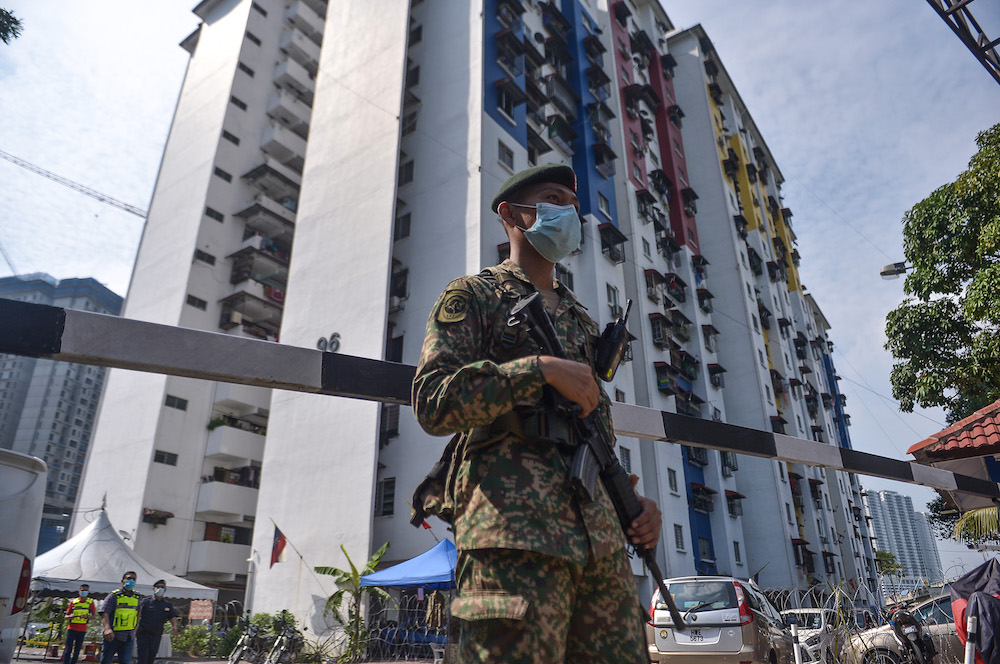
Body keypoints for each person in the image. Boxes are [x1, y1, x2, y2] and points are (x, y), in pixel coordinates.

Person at [412, 163, 662, 664]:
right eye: (552, 198)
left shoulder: (581, 320)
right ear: (512, 214)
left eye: (572, 202)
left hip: (601, 549)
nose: (568, 210)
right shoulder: (474, 296)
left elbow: (595, 432)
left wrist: (632, 507)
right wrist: (537, 370)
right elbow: (433, 400)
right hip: (513, 536)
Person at [100, 571, 139, 664]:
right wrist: (107, 629)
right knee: (106, 661)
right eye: (129, 578)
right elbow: (104, 613)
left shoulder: (137, 597)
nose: (131, 581)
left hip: (129, 637)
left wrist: (136, 626)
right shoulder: (114, 596)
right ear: (123, 581)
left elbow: (138, 611)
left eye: (134, 579)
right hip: (113, 636)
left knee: (125, 662)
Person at [135, 580, 177, 664]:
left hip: (156, 636)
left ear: (165, 589)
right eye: (158, 587)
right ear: (153, 589)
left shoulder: (167, 604)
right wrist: (135, 626)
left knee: (151, 658)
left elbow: (172, 616)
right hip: (144, 634)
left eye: (162, 587)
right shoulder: (146, 601)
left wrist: (174, 626)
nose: (160, 589)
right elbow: (137, 614)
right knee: (143, 658)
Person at [64, 584, 96, 664]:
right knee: (68, 649)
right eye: (82, 590)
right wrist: (70, 616)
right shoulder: (73, 602)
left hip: (82, 629)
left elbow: (94, 616)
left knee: (77, 650)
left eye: (85, 590)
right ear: (79, 591)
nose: (84, 592)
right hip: (71, 628)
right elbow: (66, 616)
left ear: (88, 592)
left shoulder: (90, 602)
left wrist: (87, 616)